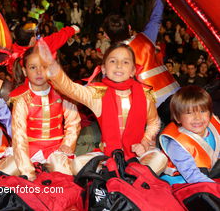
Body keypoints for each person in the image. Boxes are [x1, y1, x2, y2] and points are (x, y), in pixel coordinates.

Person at [38, 41, 167, 174]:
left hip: (138, 156)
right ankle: (122, 176)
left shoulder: (145, 94)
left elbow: (154, 123)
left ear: (133, 70)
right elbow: (70, 89)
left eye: (125, 62)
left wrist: (145, 142)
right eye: (113, 61)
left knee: (159, 159)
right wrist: (52, 66)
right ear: (103, 69)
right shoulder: (97, 94)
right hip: (107, 157)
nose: (118, 66)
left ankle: (119, 176)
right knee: (77, 164)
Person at [8, 47, 81, 181]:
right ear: (25, 71)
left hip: (57, 148)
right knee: (8, 172)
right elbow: (19, 136)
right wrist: (27, 171)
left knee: (64, 175)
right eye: (33, 67)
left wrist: (68, 144)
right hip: (28, 149)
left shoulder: (62, 92)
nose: (39, 71)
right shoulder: (21, 99)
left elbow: (73, 122)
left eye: (44, 66)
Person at [103, 0, 180, 111]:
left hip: (155, 104)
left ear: (107, 36)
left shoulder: (113, 58)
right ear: (129, 28)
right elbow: (156, 18)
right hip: (176, 92)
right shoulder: (146, 37)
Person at [159, 85, 220, 184]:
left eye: (203, 111)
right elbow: (193, 176)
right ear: (178, 118)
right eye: (189, 113)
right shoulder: (177, 144)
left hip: (207, 172)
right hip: (182, 184)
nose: (197, 117)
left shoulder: (213, 128)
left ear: (210, 113)